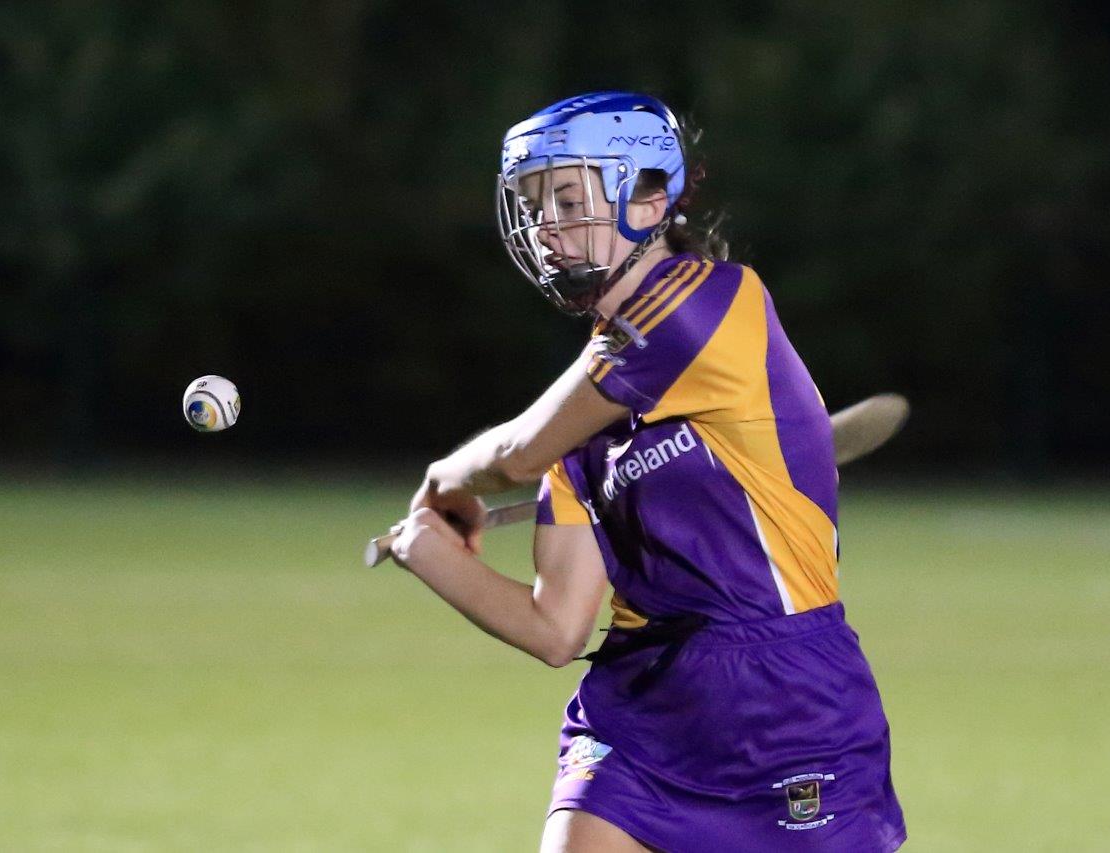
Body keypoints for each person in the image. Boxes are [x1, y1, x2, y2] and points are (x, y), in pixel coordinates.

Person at [388, 91, 906, 852]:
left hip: (788, 698)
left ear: (651, 196)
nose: (546, 227)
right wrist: (426, 554)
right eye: (533, 207)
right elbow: (557, 627)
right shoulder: (582, 426)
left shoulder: (709, 304)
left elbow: (515, 453)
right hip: (642, 702)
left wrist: (445, 478)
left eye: (567, 199)